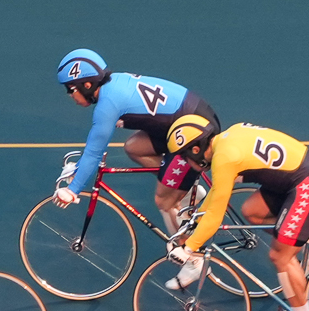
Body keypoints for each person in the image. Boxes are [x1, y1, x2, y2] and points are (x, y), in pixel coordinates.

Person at [166, 117, 309, 311]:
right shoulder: (225, 141)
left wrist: (188, 248)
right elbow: (217, 192)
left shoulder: (224, 158)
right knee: (252, 211)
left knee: (280, 257)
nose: (185, 162)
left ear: (196, 150)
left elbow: (216, 214)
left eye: (185, 156)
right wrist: (195, 221)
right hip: (302, 177)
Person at [52, 49, 221, 239]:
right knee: (134, 148)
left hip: (194, 132)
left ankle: (191, 260)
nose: (69, 95)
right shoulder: (112, 85)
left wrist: (73, 190)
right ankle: (187, 188)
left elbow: (94, 152)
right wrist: (78, 169)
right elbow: (93, 149)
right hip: (185, 120)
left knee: (164, 202)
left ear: (87, 84)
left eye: (70, 89)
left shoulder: (108, 104)